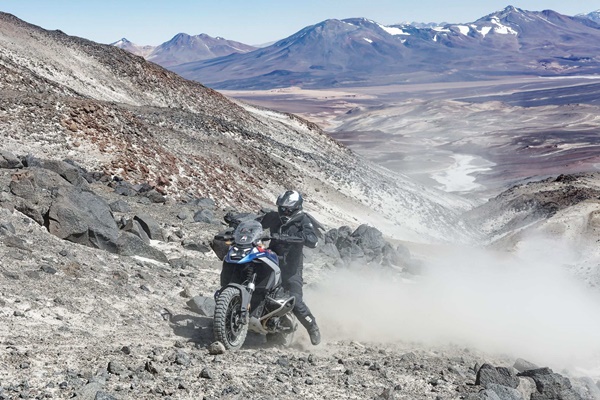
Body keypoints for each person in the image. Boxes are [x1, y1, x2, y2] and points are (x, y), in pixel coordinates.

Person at [260, 190, 322, 345]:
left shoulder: (303, 220)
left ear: (296, 208)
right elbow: (256, 222)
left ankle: (312, 327)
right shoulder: (273, 217)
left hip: (291, 267)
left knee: (295, 299)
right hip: (271, 261)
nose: (284, 212)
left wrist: (293, 238)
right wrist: (239, 222)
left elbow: (313, 240)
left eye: (288, 210)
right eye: (282, 208)